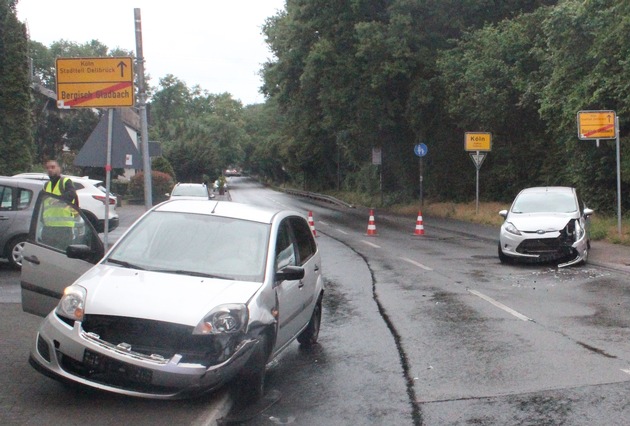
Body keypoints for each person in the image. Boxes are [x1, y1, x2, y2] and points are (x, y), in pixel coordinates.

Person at [40, 160, 79, 250]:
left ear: (59, 169)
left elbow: (71, 194)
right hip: (48, 227)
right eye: (48, 168)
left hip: (64, 227)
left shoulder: (65, 181)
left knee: (62, 253)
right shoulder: (47, 185)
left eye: (53, 167)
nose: (50, 169)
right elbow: (43, 204)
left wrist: (58, 200)